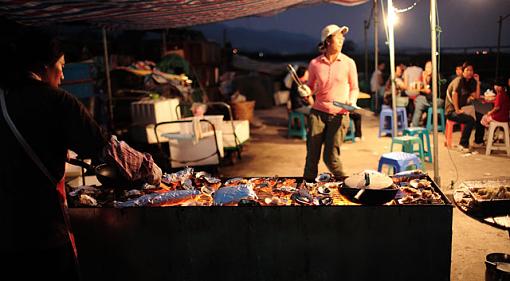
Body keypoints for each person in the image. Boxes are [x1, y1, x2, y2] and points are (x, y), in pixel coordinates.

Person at [0, 28, 162, 279]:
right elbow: (106, 148)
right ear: (44, 67)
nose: (63, 75)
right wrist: (149, 169)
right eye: (61, 66)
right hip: (43, 234)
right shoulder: (57, 101)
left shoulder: (4, 98)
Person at [298, 24, 359, 181]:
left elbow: (354, 88)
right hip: (318, 113)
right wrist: (305, 91)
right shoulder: (315, 64)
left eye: (342, 37)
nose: (341, 40)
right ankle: (307, 188)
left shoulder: (348, 62)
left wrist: (351, 101)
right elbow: (310, 87)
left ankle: (346, 184)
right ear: (327, 41)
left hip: (340, 115)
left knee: (331, 157)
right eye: (337, 37)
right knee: (312, 156)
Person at [444, 62, 483, 151]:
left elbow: (476, 96)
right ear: (463, 71)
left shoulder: (470, 82)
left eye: (471, 70)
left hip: (462, 109)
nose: (469, 72)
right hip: (451, 111)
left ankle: (478, 141)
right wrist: (457, 109)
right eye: (467, 70)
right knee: (470, 120)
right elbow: (454, 93)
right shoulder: (459, 80)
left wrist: (477, 83)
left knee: (480, 117)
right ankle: (463, 144)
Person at [411, 61, 444, 127]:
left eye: (429, 67)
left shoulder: (436, 77)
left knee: (418, 100)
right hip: (432, 100)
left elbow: (428, 92)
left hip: (439, 101)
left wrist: (424, 79)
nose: (427, 69)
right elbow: (425, 90)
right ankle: (418, 122)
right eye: (426, 67)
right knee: (419, 101)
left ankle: (415, 125)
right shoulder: (431, 77)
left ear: (433, 68)